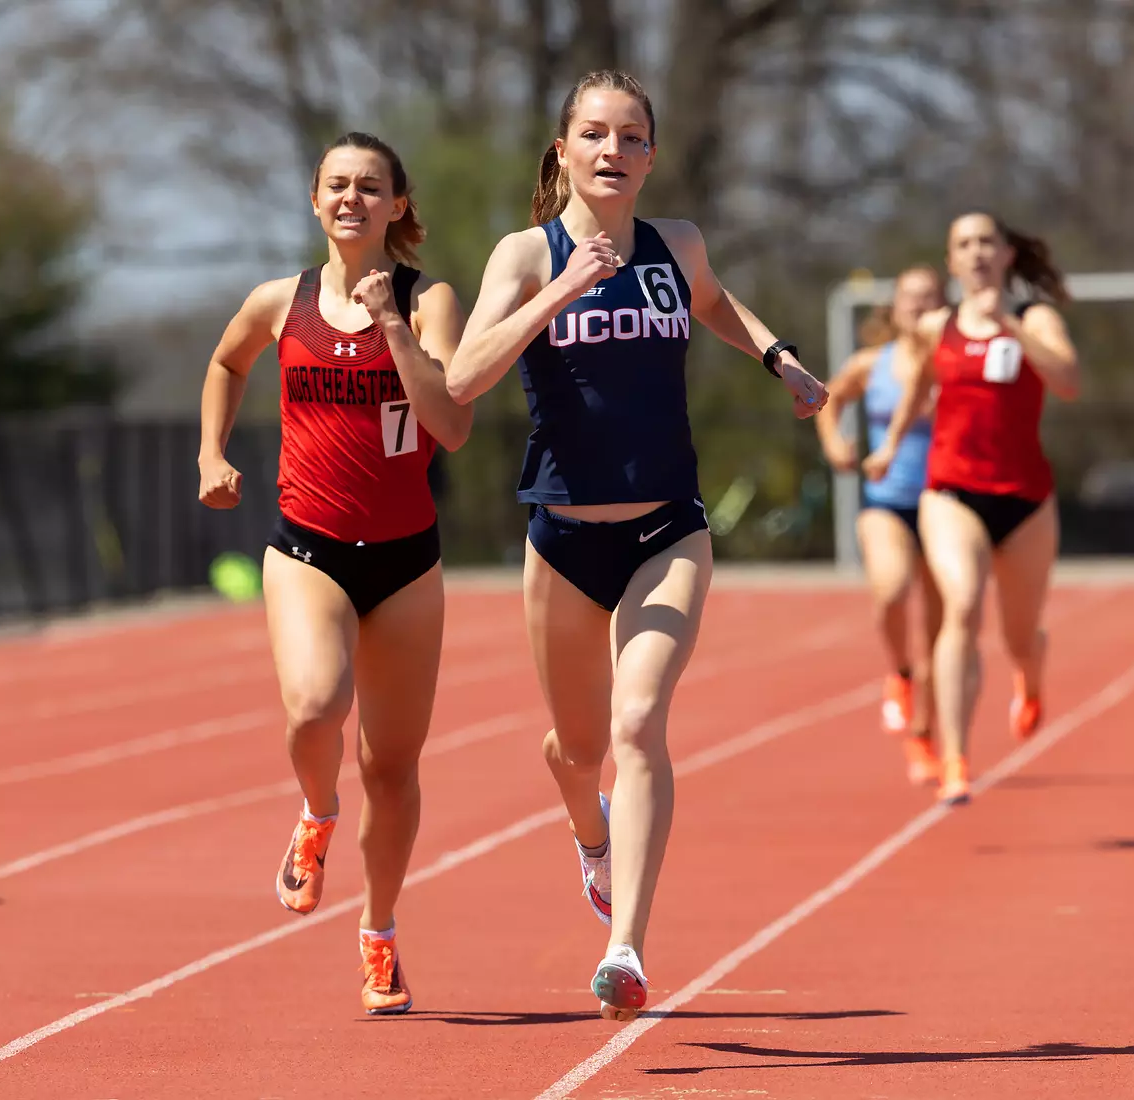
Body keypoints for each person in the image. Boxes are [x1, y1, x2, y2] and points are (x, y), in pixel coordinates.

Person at [443, 69, 827, 1021]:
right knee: (577, 750)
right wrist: (559, 290)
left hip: (668, 528)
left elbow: (714, 301)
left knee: (638, 723)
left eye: (631, 137)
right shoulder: (524, 254)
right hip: (563, 539)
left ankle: (626, 948)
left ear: (652, 154)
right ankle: (590, 833)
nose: (613, 151)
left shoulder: (677, 245)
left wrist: (781, 360)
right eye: (595, 135)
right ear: (564, 149)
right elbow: (460, 378)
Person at [196, 131, 471, 1015]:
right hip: (308, 547)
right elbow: (227, 360)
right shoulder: (281, 302)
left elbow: (451, 426)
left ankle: (379, 932)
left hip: (406, 563)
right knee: (315, 705)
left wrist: (393, 320)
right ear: (315, 202)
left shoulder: (433, 302)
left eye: (370, 186)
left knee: (391, 769)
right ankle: (316, 813)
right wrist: (212, 450)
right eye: (337, 185)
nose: (352, 198)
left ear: (399, 205)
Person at [864, 212, 1081, 806]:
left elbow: (1067, 381)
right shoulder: (937, 326)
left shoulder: (1035, 318)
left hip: (1026, 500)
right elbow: (915, 394)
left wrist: (1010, 323)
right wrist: (886, 447)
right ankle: (957, 758)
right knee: (961, 607)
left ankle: (1030, 676)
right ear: (951, 260)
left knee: (1019, 635)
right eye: (964, 244)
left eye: (988, 241)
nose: (977, 252)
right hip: (951, 491)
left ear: (1008, 255)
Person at [816, 265, 948, 784]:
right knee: (891, 592)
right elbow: (830, 399)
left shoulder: (956, 364)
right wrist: (834, 442)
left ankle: (923, 736)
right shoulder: (873, 364)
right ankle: (899, 672)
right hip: (887, 501)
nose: (918, 306)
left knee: (941, 637)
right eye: (910, 298)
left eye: (929, 298)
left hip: (947, 506)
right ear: (895, 308)